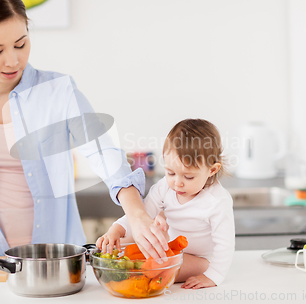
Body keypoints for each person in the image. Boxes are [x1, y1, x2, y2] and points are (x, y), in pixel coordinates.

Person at [0, 0, 168, 260]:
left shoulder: (58, 91)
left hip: (54, 258)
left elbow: (103, 152)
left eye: (20, 44)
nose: (13, 60)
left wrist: (137, 214)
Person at [96, 119, 235, 289]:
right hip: (174, 249)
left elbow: (225, 245)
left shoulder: (217, 202)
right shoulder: (164, 187)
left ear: (212, 170)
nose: (177, 183)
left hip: (202, 260)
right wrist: (117, 229)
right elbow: (141, 214)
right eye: (170, 172)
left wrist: (213, 276)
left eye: (188, 177)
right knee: (134, 249)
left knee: (153, 268)